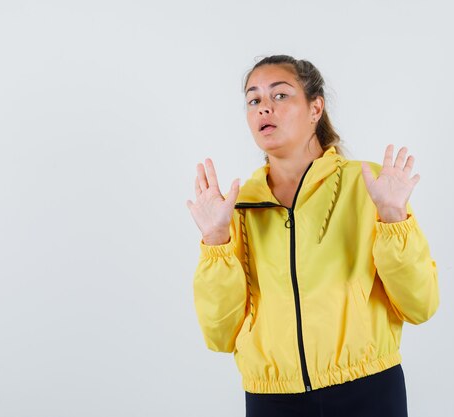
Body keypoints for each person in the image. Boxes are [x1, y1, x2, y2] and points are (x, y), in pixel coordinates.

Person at [186, 55, 439, 417]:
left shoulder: (371, 186)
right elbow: (219, 334)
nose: (264, 109)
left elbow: (421, 304)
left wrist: (392, 216)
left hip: (367, 389)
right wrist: (215, 240)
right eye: (254, 100)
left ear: (315, 107)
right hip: (272, 399)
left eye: (280, 95)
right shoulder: (237, 208)